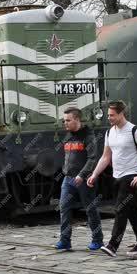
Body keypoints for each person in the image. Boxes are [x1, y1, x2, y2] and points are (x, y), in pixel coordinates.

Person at [87, 100, 137, 257]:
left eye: (112, 115)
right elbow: (105, 157)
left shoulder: (135, 131)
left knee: (121, 209)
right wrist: (95, 174)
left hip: (132, 176)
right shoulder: (110, 132)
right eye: (108, 115)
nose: (109, 118)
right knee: (131, 211)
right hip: (116, 176)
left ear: (122, 114)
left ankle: (112, 245)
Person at [55, 107, 103, 251]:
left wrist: (82, 175)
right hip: (68, 179)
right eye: (64, 120)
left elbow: (92, 158)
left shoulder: (89, 136)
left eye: (68, 120)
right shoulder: (68, 135)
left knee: (90, 209)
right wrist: (66, 172)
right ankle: (65, 241)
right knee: (64, 208)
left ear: (77, 119)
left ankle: (98, 240)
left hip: (85, 180)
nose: (65, 123)